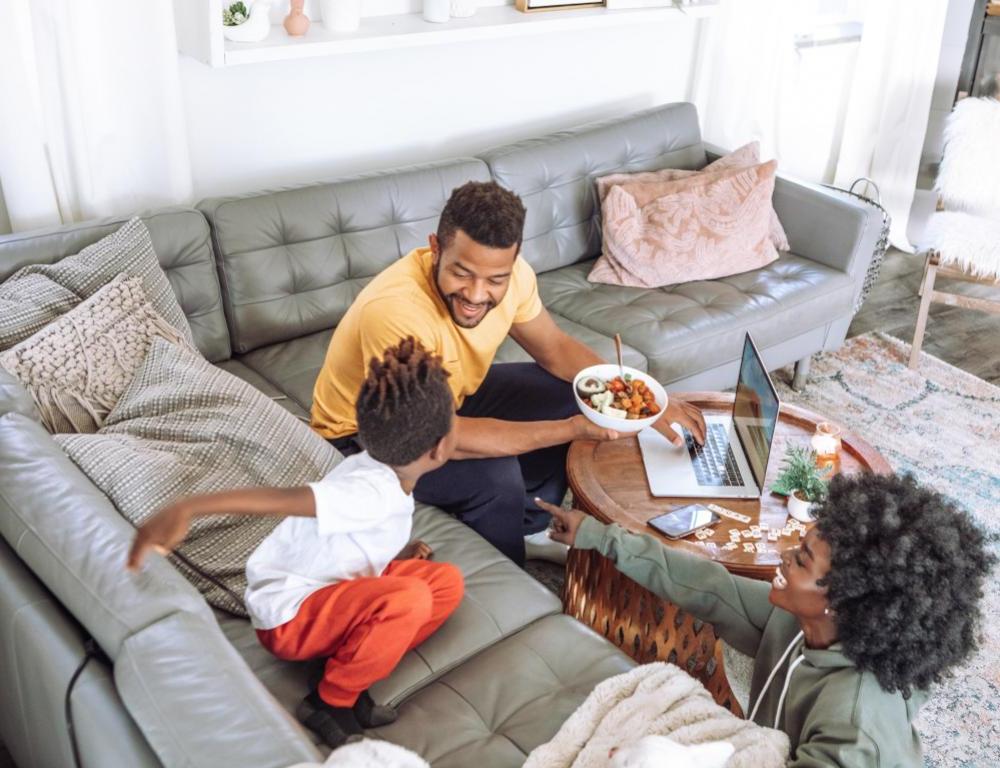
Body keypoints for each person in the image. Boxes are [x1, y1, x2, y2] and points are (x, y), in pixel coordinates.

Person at [310, 180, 705, 566]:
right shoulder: (398, 312)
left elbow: (555, 349)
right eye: (461, 273)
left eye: (495, 279)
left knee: (572, 390)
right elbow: (443, 435)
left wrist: (643, 400)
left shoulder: (516, 278)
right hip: (369, 437)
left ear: (511, 265)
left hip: (449, 399)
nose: (476, 294)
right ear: (435, 249)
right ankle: (510, 568)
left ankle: (529, 528)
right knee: (496, 475)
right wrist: (571, 429)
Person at [127, 338, 464, 749]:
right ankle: (331, 701)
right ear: (440, 447)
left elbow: (353, 543)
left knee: (444, 584)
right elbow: (281, 500)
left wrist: (398, 555)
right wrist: (189, 508)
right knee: (409, 599)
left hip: (332, 591)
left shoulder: (381, 470)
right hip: (290, 616)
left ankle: (350, 660)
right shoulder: (369, 491)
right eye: (456, 414)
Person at [540, 473, 995, 766]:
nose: (781, 558)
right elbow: (710, 588)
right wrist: (596, 535)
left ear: (841, 600)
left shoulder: (854, 724)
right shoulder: (805, 626)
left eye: (800, 560)